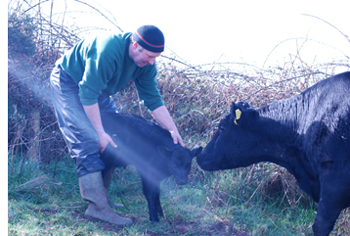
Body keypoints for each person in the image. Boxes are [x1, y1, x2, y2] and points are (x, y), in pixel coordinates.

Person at [50, 25, 184, 226]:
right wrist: (98, 131)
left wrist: (173, 128)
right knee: (87, 140)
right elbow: (87, 93)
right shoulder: (108, 51)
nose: (151, 62)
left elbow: (152, 99)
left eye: (155, 58)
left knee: (115, 136)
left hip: (98, 91)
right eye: (149, 56)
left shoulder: (146, 65)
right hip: (68, 82)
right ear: (135, 45)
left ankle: (101, 195)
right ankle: (97, 208)